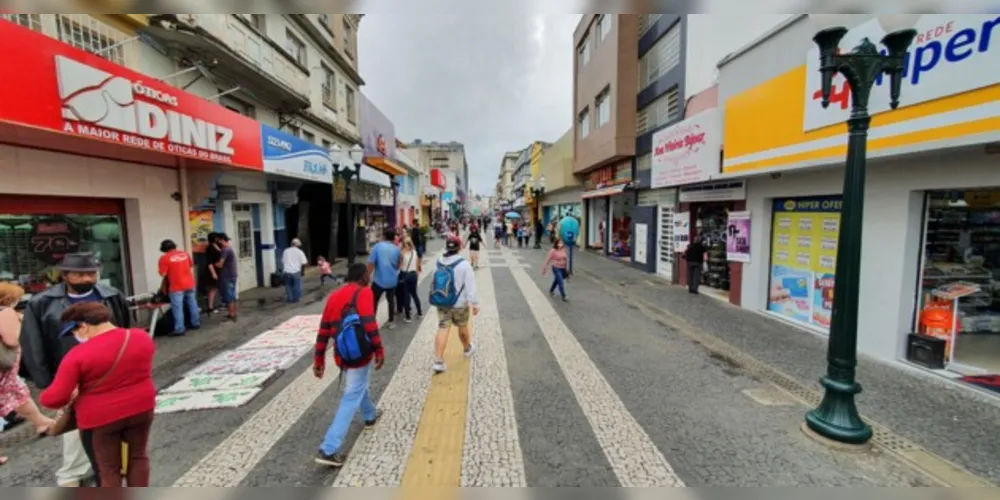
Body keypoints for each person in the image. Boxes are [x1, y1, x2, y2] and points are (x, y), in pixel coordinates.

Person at [19, 252, 131, 487]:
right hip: (69, 374)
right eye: (79, 274)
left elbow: (125, 331)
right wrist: (46, 382)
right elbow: (32, 343)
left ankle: (104, 467)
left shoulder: (111, 296)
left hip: (109, 372)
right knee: (75, 426)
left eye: (91, 273)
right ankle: (71, 476)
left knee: (112, 422)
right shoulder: (42, 303)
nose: (86, 278)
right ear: (66, 275)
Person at [40, 302, 156, 487]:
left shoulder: (77, 355)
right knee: (138, 457)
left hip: (100, 419)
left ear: (84, 326)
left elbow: (54, 398)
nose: (75, 337)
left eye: (74, 332)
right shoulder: (141, 337)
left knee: (108, 469)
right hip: (142, 408)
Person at [313, 263, 384, 467]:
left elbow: (324, 330)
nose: (369, 278)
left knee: (359, 384)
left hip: (342, 353)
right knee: (353, 392)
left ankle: (370, 415)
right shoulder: (364, 293)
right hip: (360, 353)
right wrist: (379, 350)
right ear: (362, 277)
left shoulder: (334, 297)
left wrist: (319, 359)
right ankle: (329, 448)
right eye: (367, 275)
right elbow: (370, 324)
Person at [0, 283, 57, 467]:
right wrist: (22, 325)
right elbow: (12, 339)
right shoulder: (5, 312)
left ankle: (41, 422)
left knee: (19, 393)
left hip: (6, 370)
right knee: (16, 392)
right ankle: (42, 422)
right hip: (4, 366)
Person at [429, 237, 478, 374]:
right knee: (462, 326)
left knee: (443, 328)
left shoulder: (439, 261)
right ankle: (467, 348)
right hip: (459, 304)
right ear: (459, 247)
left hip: (443, 301)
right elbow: (470, 286)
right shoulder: (464, 264)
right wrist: (474, 303)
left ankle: (438, 361)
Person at [158, 239, 200, 337]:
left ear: (163, 249)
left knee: (177, 308)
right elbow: (190, 265)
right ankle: (195, 323)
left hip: (176, 286)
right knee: (192, 303)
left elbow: (163, 274)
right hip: (189, 283)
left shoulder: (164, 258)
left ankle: (179, 329)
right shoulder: (185, 254)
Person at [367, 228, 401, 329]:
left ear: (384, 236)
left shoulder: (377, 247)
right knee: (391, 300)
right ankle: (391, 321)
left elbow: (371, 264)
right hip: (392, 280)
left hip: (379, 280)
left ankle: (372, 320)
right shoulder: (396, 249)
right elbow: (399, 265)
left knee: (374, 300)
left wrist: (367, 277)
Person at [397, 237, 423, 322]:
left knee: (406, 295)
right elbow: (417, 266)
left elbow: (399, 266)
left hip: (405, 275)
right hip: (414, 275)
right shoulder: (414, 252)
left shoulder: (402, 253)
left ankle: (408, 317)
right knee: (415, 294)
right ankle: (420, 313)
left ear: (404, 244)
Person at [215, 234, 239, 321]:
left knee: (229, 296)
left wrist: (214, 264)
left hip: (227, 276)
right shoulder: (229, 249)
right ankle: (232, 313)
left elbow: (220, 264)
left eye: (219, 241)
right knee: (231, 294)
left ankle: (232, 314)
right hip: (231, 275)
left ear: (222, 240)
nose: (218, 243)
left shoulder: (225, 250)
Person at [281, 238, 309, 303]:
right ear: (298, 245)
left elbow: (283, 261)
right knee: (297, 285)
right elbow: (304, 263)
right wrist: (302, 271)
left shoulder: (286, 251)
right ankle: (296, 298)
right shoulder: (300, 252)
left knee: (288, 285)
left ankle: (290, 299)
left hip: (286, 271)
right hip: (296, 271)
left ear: (291, 244)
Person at [201, 233, 222, 314]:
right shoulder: (210, 248)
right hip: (213, 270)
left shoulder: (218, 246)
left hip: (219, 269)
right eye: (217, 238)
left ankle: (217, 304)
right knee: (212, 288)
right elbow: (209, 262)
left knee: (216, 288)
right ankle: (210, 306)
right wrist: (213, 273)